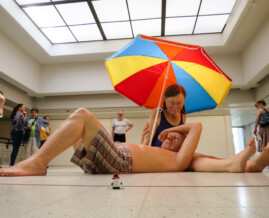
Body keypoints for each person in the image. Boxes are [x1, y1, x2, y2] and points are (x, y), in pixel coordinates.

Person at [0, 108, 268, 177]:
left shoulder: (179, 161)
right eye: (170, 134)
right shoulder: (159, 149)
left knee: (82, 115)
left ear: (184, 149)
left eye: (176, 138)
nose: (170, 136)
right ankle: (245, 163)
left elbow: (195, 126)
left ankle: (37, 162)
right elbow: (148, 144)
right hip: (108, 157)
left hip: (117, 160)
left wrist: (176, 129)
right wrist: (154, 133)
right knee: (78, 124)